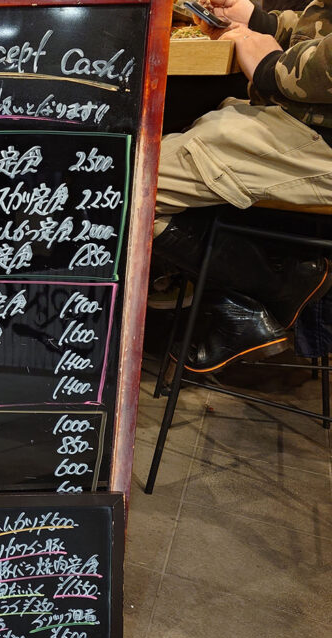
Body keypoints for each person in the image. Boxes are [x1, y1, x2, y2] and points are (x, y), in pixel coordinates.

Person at [152, 0, 332, 373]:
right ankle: (249, 296)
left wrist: (270, 67)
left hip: (318, 134)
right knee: (181, 131)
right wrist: (259, 21)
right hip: (304, 117)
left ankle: (271, 291)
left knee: (125, 184)